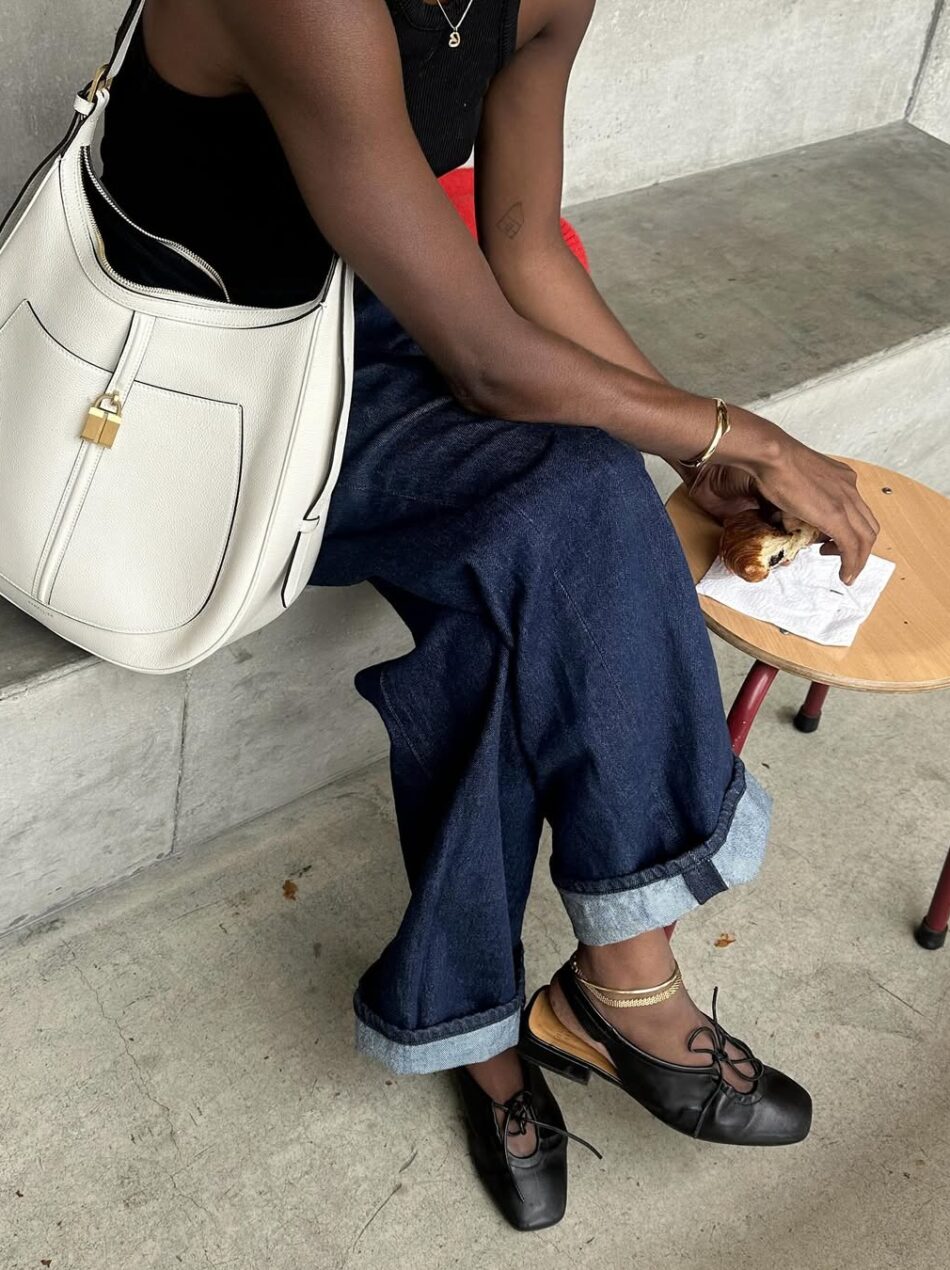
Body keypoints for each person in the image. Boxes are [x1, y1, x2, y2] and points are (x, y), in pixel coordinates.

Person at [100, 0, 879, 1231]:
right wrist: (737, 435)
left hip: (383, 316)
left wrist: (692, 446)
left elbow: (520, 255)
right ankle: (623, 982)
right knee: (573, 491)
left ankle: (484, 1026)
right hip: (202, 382)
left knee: (504, 607)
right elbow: (484, 357)